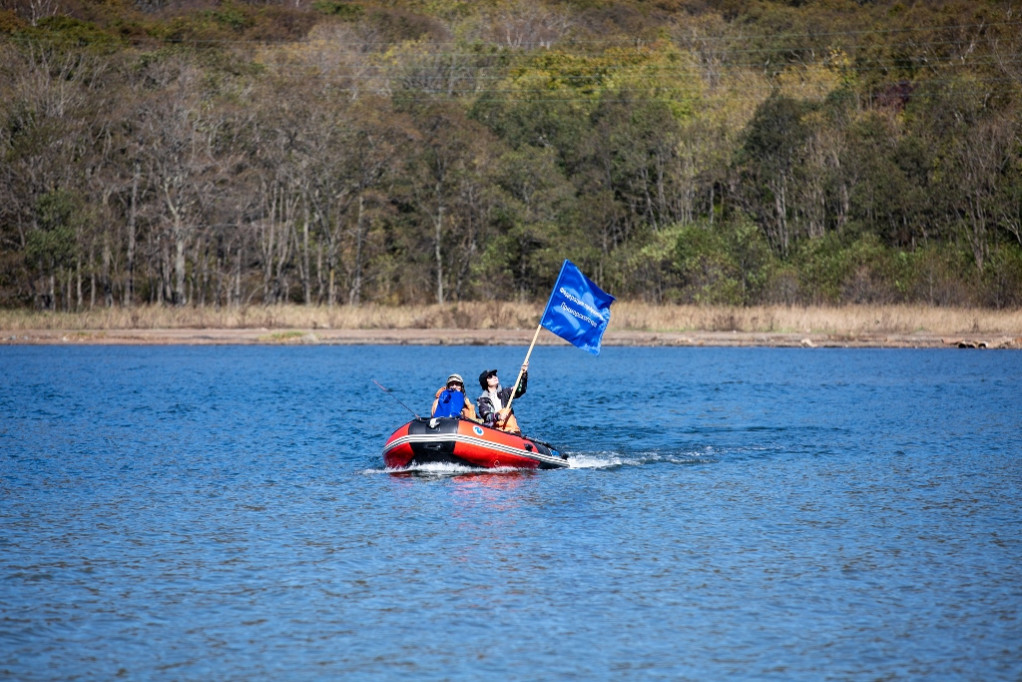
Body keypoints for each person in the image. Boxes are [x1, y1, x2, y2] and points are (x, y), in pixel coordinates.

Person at [476, 363, 528, 434]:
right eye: (490, 376)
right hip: (494, 430)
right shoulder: (482, 400)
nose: (494, 377)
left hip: (509, 430)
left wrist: (524, 374)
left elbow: (520, 390)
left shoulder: (505, 392)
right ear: (485, 382)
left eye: (495, 375)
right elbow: (487, 416)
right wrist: (498, 417)